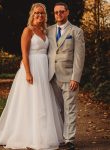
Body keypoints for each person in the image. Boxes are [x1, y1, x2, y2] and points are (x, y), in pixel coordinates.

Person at [0, 3, 64, 150]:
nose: (40, 16)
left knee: (43, 103)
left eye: (42, 13)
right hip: (32, 69)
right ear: (32, 15)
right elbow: (24, 54)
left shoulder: (45, 32)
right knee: (31, 101)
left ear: (45, 16)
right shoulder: (28, 31)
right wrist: (27, 72)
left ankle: (43, 134)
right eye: (37, 13)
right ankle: (29, 135)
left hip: (43, 70)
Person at [47, 2, 85, 150]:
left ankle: (69, 139)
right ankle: (60, 137)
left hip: (69, 76)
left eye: (61, 12)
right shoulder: (48, 30)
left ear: (67, 12)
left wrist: (76, 77)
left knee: (70, 108)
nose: (59, 15)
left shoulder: (76, 31)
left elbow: (79, 57)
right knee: (57, 109)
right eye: (56, 12)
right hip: (51, 77)